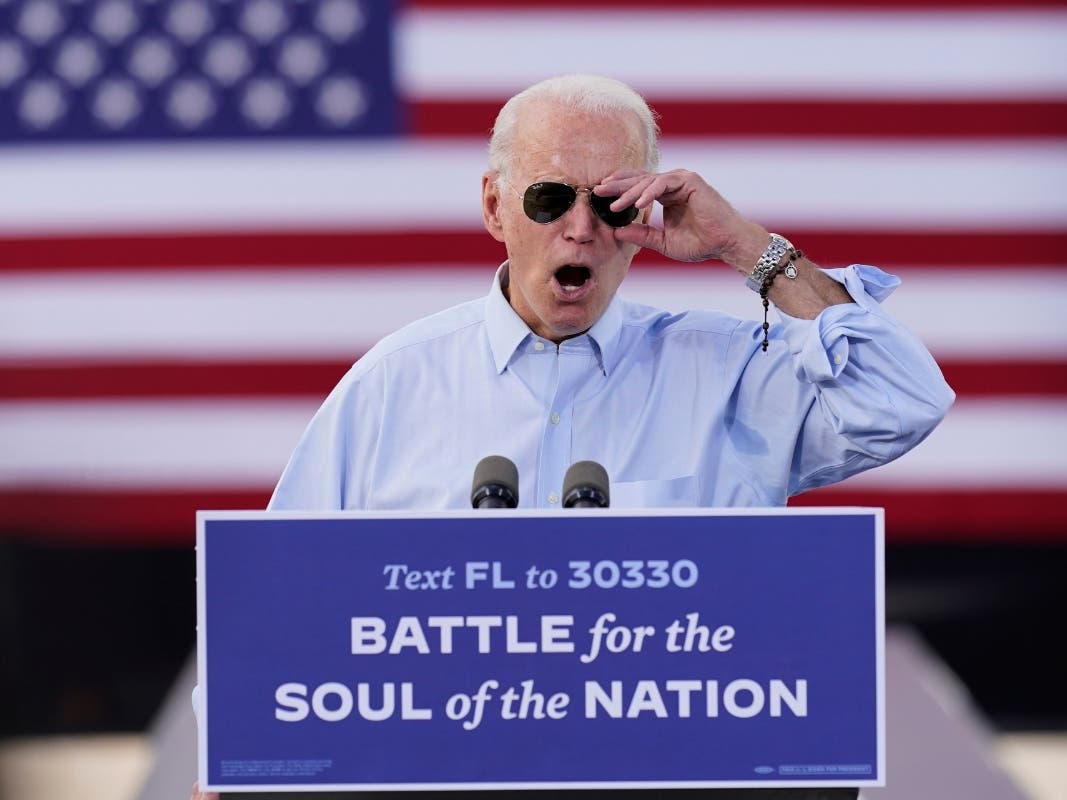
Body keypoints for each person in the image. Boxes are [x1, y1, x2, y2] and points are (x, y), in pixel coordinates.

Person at [191, 73, 951, 800]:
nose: (580, 228)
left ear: (644, 217)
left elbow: (903, 398)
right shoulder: (394, 385)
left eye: (613, 202)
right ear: (495, 207)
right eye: (550, 198)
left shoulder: (726, 373)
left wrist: (746, 248)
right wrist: (223, 758)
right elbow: (273, 608)